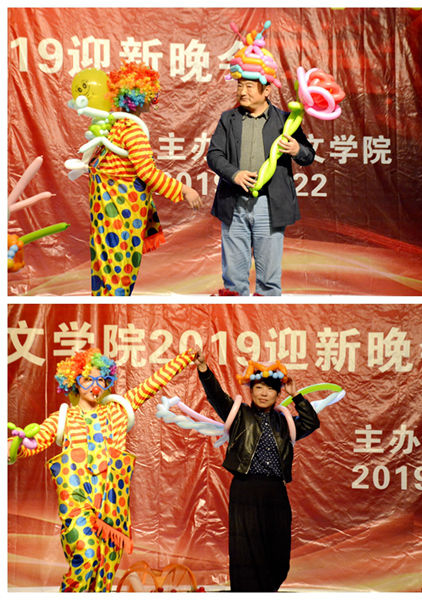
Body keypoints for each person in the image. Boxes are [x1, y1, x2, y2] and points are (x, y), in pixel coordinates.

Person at [7, 347, 194, 592]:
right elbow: (35, 441)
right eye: (87, 379)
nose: (95, 386)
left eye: (101, 380)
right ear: (74, 382)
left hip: (112, 510)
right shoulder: (63, 419)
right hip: (78, 505)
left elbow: (152, 384)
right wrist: (15, 446)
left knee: (103, 576)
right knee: (86, 557)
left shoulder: (117, 412)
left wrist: (187, 356)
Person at [193, 348, 320, 592]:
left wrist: (296, 396)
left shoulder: (285, 422)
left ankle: (268, 591)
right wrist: (203, 368)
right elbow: (216, 396)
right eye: (259, 387)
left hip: (275, 492)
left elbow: (311, 422)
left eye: (270, 389)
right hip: (246, 490)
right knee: (246, 552)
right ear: (250, 390)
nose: (264, 393)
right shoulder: (239, 415)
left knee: (278, 553)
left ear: (277, 394)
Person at [206, 23, 315, 296]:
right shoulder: (228, 119)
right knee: (234, 280)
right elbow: (214, 155)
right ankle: (235, 318)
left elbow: (309, 155)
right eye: (239, 85)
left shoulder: (284, 121)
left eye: (249, 86)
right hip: (234, 203)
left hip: (269, 204)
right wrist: (234, 174)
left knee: (268, 281)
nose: (242, 91)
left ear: (267, 91)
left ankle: (266, 319)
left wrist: (296, 149)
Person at [87, 62, 202, 296]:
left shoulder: (114, 126)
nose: (154, 99)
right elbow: (147, 173)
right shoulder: (132, 130)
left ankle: (105, 308)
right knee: (119, 268)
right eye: (152, 94)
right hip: (120, 215)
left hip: (107, 214)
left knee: (106, 267)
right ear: (140, 97)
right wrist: (184, 190)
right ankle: (113, 312)